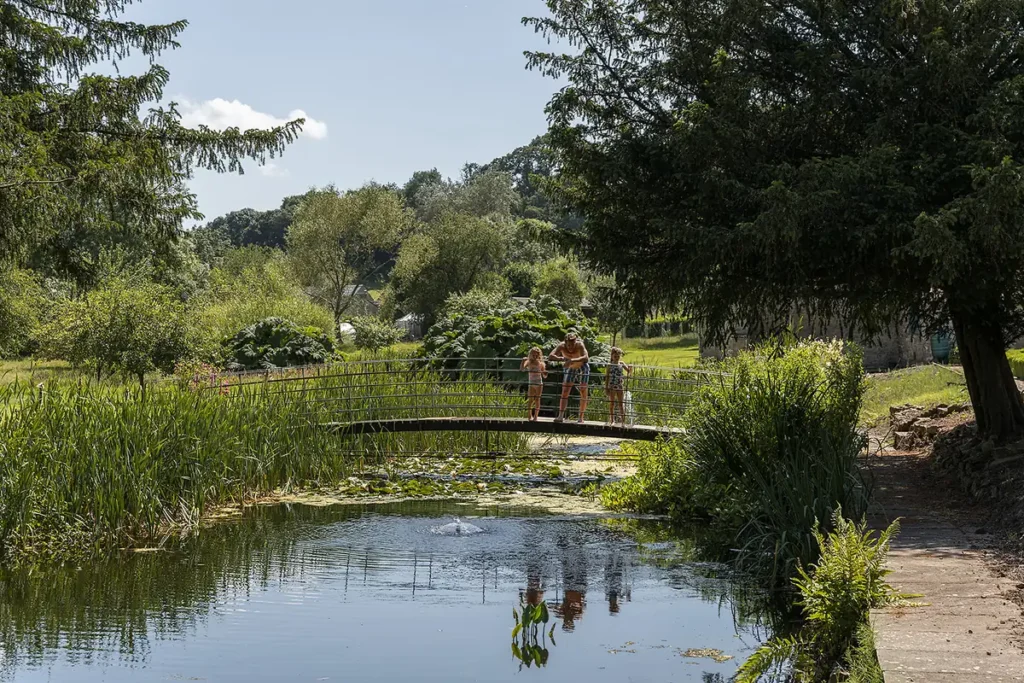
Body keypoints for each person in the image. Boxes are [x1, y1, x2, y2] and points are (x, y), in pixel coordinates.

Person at [548, 332, 590, 423]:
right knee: (565, 391)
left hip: (582, 365)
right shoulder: (561, 346)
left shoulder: (580, 345)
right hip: (570, 367)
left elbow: (586, 358)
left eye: (572, 345)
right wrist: (562, 359)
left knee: (583, 390)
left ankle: (581, 417)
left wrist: (572, 360)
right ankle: (560, 416)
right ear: (565, 343)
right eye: (569, 345)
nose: (570, 347)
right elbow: (550, 356)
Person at [520, 347, 548, 421]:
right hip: (531, 383)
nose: (535, 357)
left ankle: (535, 416)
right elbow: (522, 369)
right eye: (533, 355)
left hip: (539, 382)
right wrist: (523, 361)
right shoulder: (528, 362)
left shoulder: (541, 363)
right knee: (530, 400)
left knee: (537, 400)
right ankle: (529, 416)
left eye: (536, 356)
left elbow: (544, 376)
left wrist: (545, 373)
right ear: (531, 355)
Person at [604, 347, 631, 425]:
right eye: (615, 356)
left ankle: (623, 421)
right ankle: (612, 420)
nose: (617, 358)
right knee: (612, 404)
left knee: (621, 404)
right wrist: (606, 388)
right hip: (612, 386)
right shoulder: (609, 365)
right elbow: (607, 377)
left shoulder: (621, 363)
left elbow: (629, 371)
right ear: (612, 356)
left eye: (618, 356)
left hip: (619, 385)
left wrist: (628, 374)